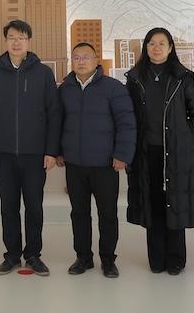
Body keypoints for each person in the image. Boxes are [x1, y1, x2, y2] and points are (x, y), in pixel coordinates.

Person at [124, 27, 194, 275]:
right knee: (153, 204)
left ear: (170, 48)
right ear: (145, 48)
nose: (156, 47)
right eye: (151, 43)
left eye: (161, 43)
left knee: (175, 203)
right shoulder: (135, 78)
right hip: (146, 151)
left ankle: (176, 258)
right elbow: (127, 115)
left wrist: (191, 140)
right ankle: (156, 257)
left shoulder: (182, 77)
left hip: (176, 151)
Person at [0, 19, 61, 277]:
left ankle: (34, 254)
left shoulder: (43, 73)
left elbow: (53, 114)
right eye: (12, 37)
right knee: (8, 206)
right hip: (3, 153)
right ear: (6, 41)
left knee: (34, 206)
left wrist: (51, 150)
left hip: (35, 154)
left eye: (21, 38)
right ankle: (12, 255)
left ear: (29, 41)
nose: (16, 42)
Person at [57, 42, 136, 278]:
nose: (81, 61)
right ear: (72, 61)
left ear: (96, 60)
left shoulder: (113, 87)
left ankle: (108, 259)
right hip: (75, 164)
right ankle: (83, 257)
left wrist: (122, 155)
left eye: (86, 57)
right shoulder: (65, 89)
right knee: (79, 213)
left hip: (105, 164)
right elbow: (57, 122)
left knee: (107, 214)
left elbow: (126, 123)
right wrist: (58, 151)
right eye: (76, 57)